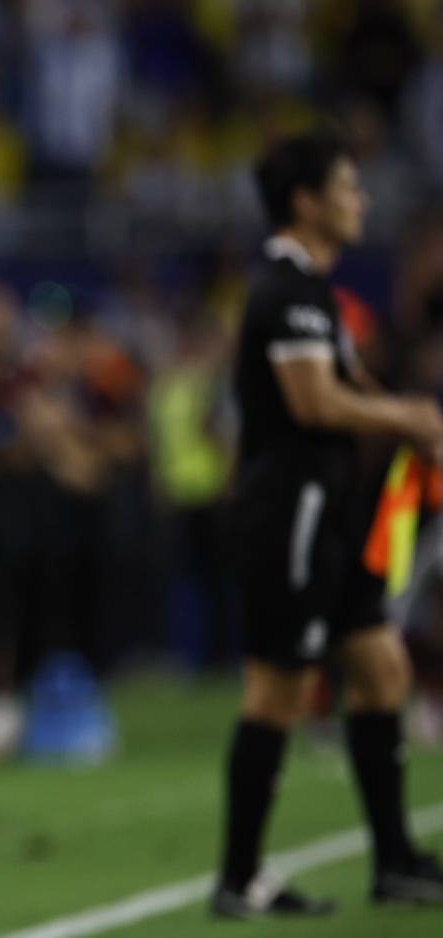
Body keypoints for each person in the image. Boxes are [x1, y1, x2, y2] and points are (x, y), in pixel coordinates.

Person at [211, 132, 443, 917]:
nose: (361, 199)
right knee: (277, 688)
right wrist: (406, 413)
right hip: (290, 516)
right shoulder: (284, 290)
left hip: (332, 511)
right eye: (348, 186)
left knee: (382, 668)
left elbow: (353, 383)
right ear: (306, 201)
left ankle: (397, 862)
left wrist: (411, 415)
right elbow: (315, 402)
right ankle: (240, 878)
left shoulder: (313, 291)